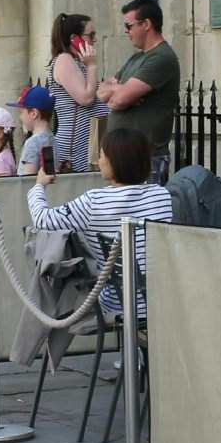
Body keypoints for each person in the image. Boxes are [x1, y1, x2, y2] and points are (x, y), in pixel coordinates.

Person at [27, 127, 175, 320]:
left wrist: (39, 185)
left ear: (116, 161)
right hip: (164, 301)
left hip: (117, 303)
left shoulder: (94, 201)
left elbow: (42, 219)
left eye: (103, 155)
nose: (99, 160)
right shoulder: (162, 195)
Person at [95, 0, 180, 180]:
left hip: (146, 158)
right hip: (122, 156)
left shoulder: (161, 57)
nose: (126, 31)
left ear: (146, 24)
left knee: (147, 209)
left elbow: (119, 100)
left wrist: (120, 91)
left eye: (129, 25)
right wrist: (122, 90)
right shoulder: (135, 59)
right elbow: (101, 91)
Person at [44, 13, 106, 173]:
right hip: (74, 147)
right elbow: (85, 98)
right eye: (90, 35)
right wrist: (92, 66)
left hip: (86, 143)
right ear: (74, 38)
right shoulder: (65, 60)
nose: (95, 40)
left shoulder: (78, 62)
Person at [15, 86, 56, 176]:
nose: (20, 117)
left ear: (34, 113)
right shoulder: (53, 138)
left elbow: (28, 180)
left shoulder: (32, 143)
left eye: (21, 112)